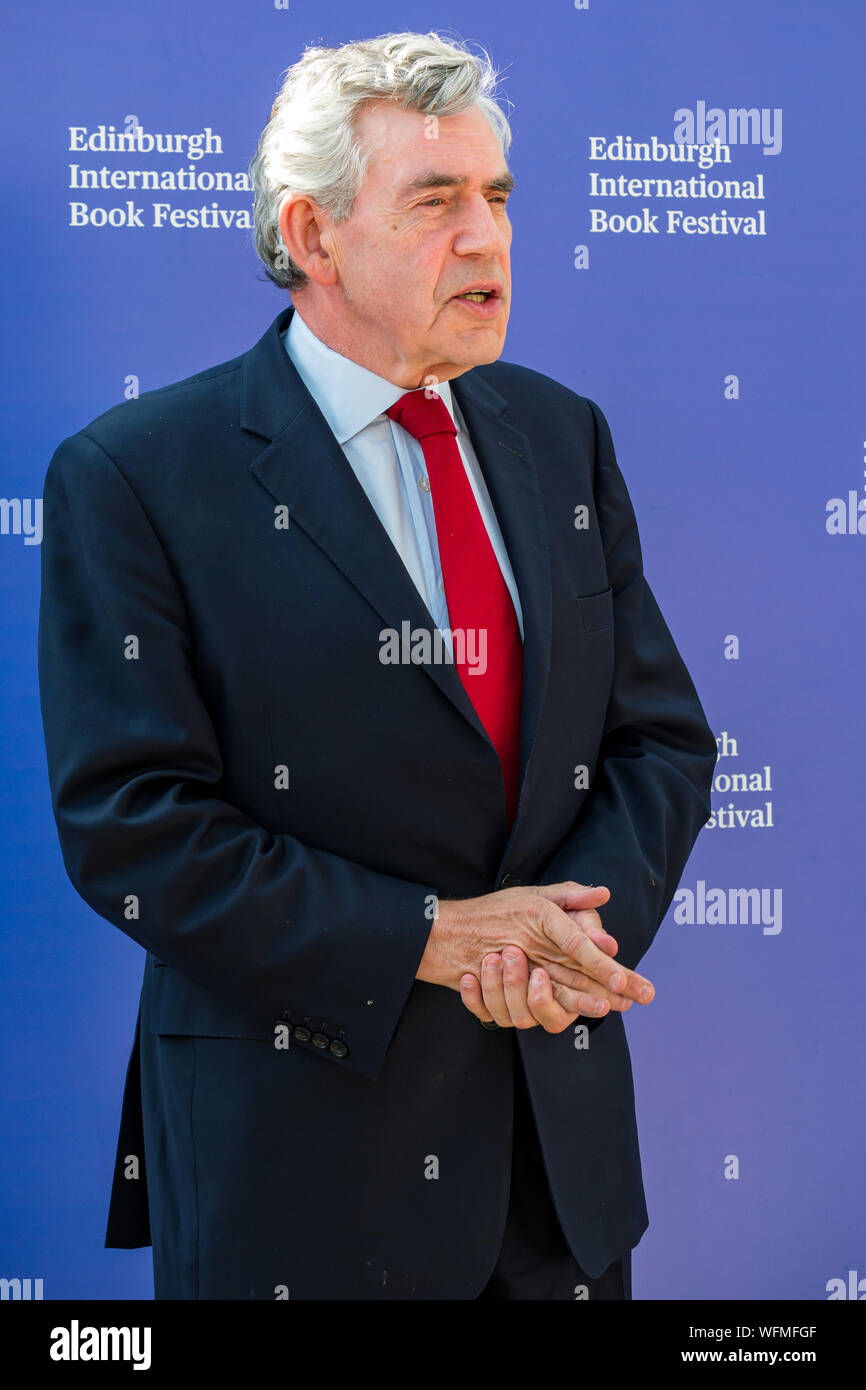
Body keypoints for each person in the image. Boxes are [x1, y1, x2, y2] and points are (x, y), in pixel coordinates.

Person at [37, 30, 717, 1300]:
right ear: (311, 234)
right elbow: (131, 826)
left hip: (553, 1179)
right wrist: (434, 939)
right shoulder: (139, 475)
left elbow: (657, 741)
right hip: (298, 1173)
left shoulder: (559, 435)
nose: (486, 239)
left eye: (497, 198)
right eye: (435, 201)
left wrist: (556, 942)